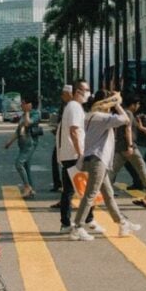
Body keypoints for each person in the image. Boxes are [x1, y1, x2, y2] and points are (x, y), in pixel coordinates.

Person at [71, 91, 140, 241]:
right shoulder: (103, 118)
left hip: (91, 158)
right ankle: (77, 227)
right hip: (98, 160)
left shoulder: (89, 116)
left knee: (108, 194)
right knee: (90, 194)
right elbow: (125, 119)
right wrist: (117, 104)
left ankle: (122, 223)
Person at [57, 81, 99, 232]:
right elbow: (74, 131)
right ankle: (80, 222)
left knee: (72, 190)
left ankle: (72, 222)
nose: (88, 93)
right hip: (75, 155)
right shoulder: (74, 107)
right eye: (86, 90)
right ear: (77, 91)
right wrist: (81, 154)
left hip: (71, 154)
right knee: (85, 189)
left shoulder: (74, 107)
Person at [111, 94, 146, 192]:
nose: (138, 106)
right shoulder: (128, 113)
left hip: (120, 146)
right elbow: (127, 130)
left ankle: (102, 187)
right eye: (138, 104)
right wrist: (130, 145)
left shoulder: (124, 113)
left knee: (113, 170)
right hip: (127, 145)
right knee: (141, 165)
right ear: (133, 104)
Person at [4, 98, 38, 198]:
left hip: (30, 143)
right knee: (26, 166)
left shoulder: (35, 114)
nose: (21, 106)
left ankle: (27, 187)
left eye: (23, 104)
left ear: (29, 104)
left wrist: (27, 111)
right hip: (22, 144)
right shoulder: (23, 114)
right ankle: (31, 189)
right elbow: (18, 130)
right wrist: (10, 142)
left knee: (19, 163)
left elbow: (28, 123)